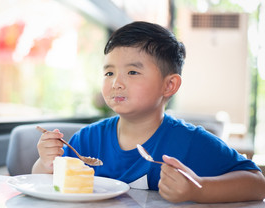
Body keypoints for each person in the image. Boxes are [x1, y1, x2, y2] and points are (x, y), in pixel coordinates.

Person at [32, 21, 265, 203]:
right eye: (109, 73)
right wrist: (46, 163)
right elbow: (45, 181)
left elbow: (257, 183)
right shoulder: (88, 139)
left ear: (169, 85)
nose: (116, 83)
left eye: (132, 72)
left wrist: (198, 189)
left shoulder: (189, 142)